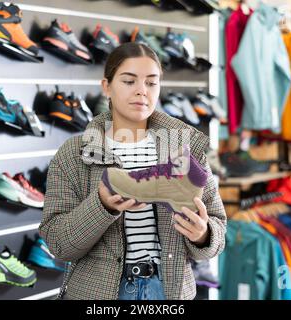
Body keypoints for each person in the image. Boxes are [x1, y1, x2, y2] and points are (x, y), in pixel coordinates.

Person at [39, 42, 227, 300]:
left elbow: (218, 230)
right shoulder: (74, 153)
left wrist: (203, 235)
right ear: (107, 86)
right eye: (129, 81)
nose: (142, 91)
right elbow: (58, 244)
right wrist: (102, 206)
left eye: (151, 83)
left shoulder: (182, 149)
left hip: (168, 292)